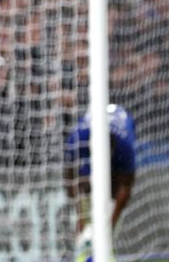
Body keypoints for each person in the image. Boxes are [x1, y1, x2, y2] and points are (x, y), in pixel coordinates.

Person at [64, 104, 136, 262]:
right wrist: (80, 217)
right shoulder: (76, 138)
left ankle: (106, 252)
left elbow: (126, 187)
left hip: (115, 173)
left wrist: (109, 227)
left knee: (107, 230)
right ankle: (84, 251)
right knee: (84, 230)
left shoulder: (125, 146)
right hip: (86, 170)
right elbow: (69, 177)